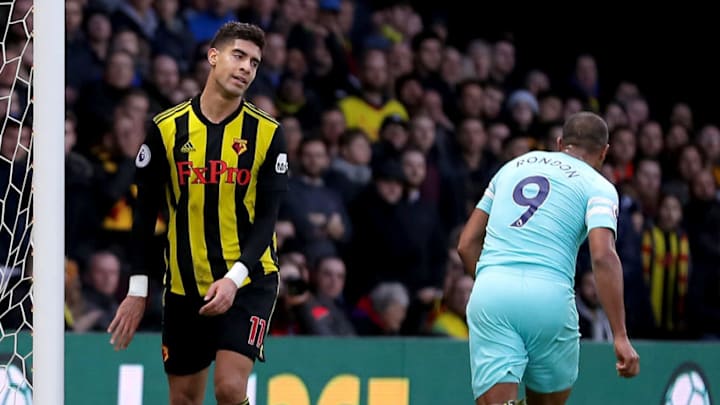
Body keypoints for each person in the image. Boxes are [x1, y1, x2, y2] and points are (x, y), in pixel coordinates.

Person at [108, 22, 288, 405]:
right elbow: (143, 217)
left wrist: (234, 280)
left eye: (254, 63)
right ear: (213, 56)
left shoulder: (268, 134)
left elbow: (267, 220)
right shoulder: (166, 129)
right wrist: (138, 291)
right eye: (238, 55)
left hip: (249, 280)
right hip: (184, 285)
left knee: (229, 388)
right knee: (185, 399)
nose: (246, 68)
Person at [457, 111, 640, 405]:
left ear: (559, 143)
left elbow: (466, 244)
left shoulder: (511, 167)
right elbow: (603, 256)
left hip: (492, 291)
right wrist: (619, 334)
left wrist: (493, 285)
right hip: (549, 298)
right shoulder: (599, 187)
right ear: (604, 152)